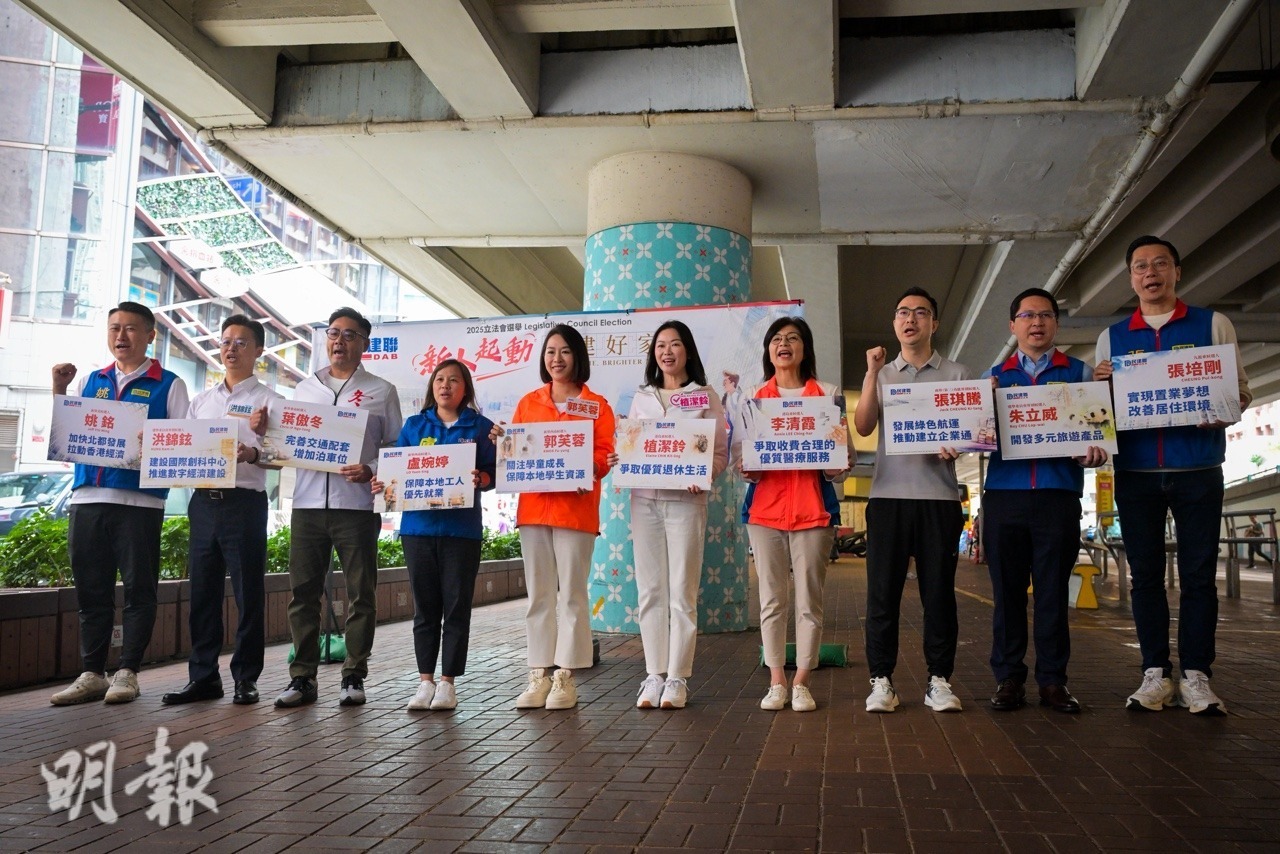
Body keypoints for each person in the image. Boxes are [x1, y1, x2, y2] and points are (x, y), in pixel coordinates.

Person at [1095, 236, 1251, 715]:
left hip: (1198, 468)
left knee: (1199, 575)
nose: (1150, 273)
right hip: (1137, 472)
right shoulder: (1113, 336)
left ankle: (1197, 675)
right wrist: (1099, 393)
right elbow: (1101, 415)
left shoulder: (1212, 323)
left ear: (1177, 272)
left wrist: (1223, 411)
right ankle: (1155, 673)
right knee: (1144, 576)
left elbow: (1239, 395)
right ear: (1131, 278)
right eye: (1140, 266)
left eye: (1160, 263)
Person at [49, 301, 190, 706]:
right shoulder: (91, 380)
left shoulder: (170, 384)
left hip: (139, 503)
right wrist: (59, 391)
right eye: (114, 328)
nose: (121, 336)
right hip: (87, 498)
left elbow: (183, 447)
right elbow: (67, 438)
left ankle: (128, 671)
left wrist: (155, 449)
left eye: (130, 329)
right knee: (91, 589)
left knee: (138, 589)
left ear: (150, 335)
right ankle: (92, 672)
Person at [983, 288, 1109, 714]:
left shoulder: (1080, 374)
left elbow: (1102, 438)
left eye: (1045, 315)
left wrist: (1096, 452)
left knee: (1054, 592)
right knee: (1008, 593)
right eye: (1026, 316)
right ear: (1012, 325)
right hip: (1004, 497)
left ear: (1056, 324)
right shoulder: (994, 377)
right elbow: (974, 439)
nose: (1036, 323)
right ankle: (1008, 679)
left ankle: (1053, 682)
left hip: (1058, 496)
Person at [273, 307, 403, 708]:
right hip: (308, 505)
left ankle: (353, 674)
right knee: (302, 594)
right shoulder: (305, 389)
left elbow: (397, 450)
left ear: (365, 343)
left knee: (361, 592)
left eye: (349, 335)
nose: (339, 341)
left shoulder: (382, 391)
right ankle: (302, 678)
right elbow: (285, 444)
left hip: (357, 507)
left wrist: (372, 469)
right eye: (333, 333)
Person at [853, 287, 969, 714]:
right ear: (894, 323)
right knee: (881, 595)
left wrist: (960, 443)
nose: (911, 319)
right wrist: (869, 372)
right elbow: (864, 427)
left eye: (921, 313)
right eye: (903, 312)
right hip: (887, 498)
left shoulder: (957, 374)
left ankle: (939, 680)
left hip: (939, 499)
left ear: (934, 323)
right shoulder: (882, 375)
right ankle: (881, 680)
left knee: (939, 594)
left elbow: (971, 432)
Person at [606, 321, 728, 710]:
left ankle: (677, 677)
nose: (668, 351)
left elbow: (720, 454)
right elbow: (629, 446)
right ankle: (653, 674)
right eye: (661, 345)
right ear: (653, 353)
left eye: (675, 344)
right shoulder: (641, 397)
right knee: (650, 591)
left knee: (682, 591)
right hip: (644, 502)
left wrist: (703, 473)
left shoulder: (705, 396)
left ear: (688, 351)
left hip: (686, 503)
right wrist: (619, 458)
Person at [161, 316, 282, 707]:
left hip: (243, 504)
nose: (231, 349)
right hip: (203, 504)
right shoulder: (201, 402)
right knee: (202, 594)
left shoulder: (272, 401)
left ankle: (246, 679)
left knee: (248, 594)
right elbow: (185, 450)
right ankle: (203, 677)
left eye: (241, 342)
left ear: (258, 350)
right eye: (226, 341)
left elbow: (280, 458)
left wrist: (256, 448)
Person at [739, 317, 851, 713]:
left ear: (805, 349)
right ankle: (776, 680)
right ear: (769, 351)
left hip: (813, 510)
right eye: (776, 339)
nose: (783, 344)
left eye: (793, 338)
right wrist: (746, 466)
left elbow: (839, 461)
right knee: (771, 599)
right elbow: (745, 456)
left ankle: (802, 679)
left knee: (809, 599)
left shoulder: (828, 395)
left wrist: (841, 461)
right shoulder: (754, 398)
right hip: (764, 511)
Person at [502, 324, 615, 710]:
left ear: (578, 356)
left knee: (572, 596)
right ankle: (538, 674)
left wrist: (593, 471)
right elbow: (516, 451)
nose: (556, 359)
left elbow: (603, 454)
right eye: (550, 352)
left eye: (564, 351)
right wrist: (505, 447)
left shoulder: (596, 404)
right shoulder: (529, 402)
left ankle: (566, 677)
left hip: (576, 511)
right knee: (539, 597)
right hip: (533, 510)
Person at [372, 359, 496, 712]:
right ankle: (424, 680)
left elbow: (493, 474)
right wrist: (383, 483)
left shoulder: (480, 427)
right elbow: (395, 470)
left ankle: (448, 684)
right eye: (439, 380)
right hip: (418, 530)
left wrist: (481, 480)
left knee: (456, 609)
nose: (445, 386)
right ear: (432, 387)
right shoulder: (414, 426)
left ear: (465, 389)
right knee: (425, 610)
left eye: (453, 381)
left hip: (462, 532)